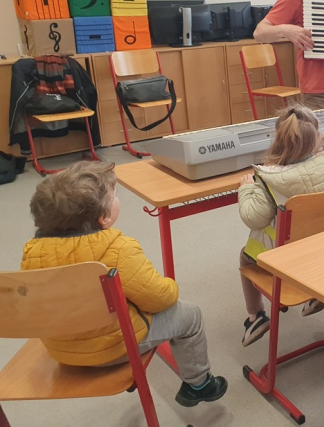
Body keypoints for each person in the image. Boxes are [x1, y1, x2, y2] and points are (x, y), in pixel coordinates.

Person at [23, 161, 227, 407]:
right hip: (111, 348)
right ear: (104, 217)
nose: (117, 198)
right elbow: (159, 299)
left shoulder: (32, 252)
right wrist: (170, 284)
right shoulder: (117, 248)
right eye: (114, 196)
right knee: (190, 315)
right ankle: (200, 384)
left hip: (61, 350)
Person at [237, 101, 324, 346]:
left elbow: (253, 217)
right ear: (317, 137)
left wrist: (246, 189)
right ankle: (317, 293)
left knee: (246, 257)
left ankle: (256, 316)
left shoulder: (268, 179)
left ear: (277, 140)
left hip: (289, 262)